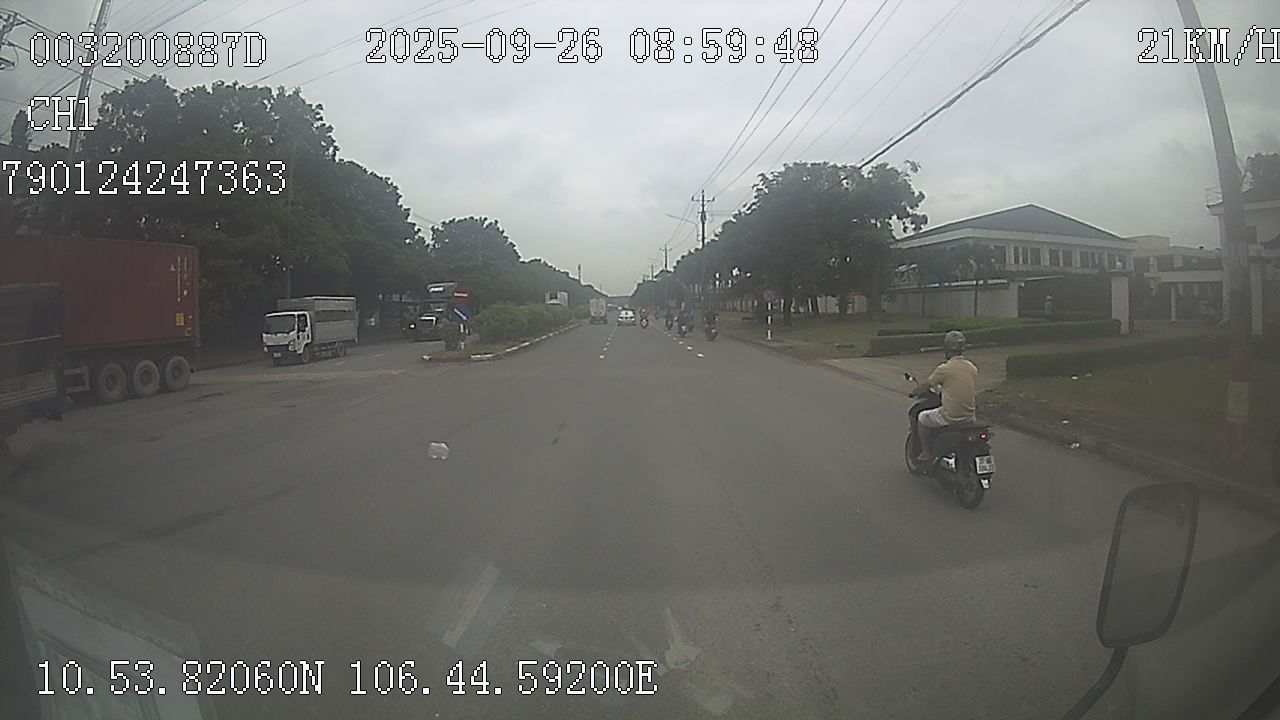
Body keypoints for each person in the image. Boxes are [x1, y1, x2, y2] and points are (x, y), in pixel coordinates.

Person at [912, 330, 979, 463]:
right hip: (970, 417)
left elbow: (927, 384)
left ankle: (926, 452)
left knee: (922, 417)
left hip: (950, 417)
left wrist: (914, 392)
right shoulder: (972, 367)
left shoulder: (944, 369)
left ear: (947, 349)